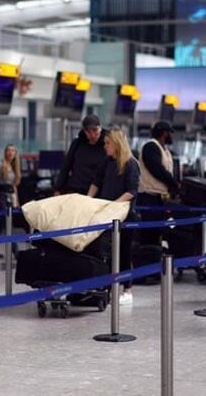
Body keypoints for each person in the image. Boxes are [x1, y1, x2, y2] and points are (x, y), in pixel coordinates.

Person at [87, 128, 140, 305]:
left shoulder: (131, 164)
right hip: (107, 214)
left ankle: (127, 289)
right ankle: (107, 285)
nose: (105, 147)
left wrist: (114, 204)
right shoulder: (107, 162)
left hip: (125, 215)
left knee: (124, 252)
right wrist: (87, 201)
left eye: (107, 143)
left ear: (116, 144)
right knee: (106, 251)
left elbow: (131, 191)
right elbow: (96, 181)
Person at [137, 120, 179, 245]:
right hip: (149, 197)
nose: (171, 136)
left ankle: (155, 256)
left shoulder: (165, 150)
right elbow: (157, 170)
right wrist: (174, 184)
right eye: (170, 133)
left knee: (158, 233)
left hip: (161, 198)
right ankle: (147, 259)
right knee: (149, 233)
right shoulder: (150, 147)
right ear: (164, 133)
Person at [54, 114, 107, 195]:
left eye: (95, 131)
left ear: (100, 128)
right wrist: (58, 188)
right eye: (88, 132)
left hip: (98, 190)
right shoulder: (77, 143)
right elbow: (66, 166)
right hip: (77, 188)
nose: (92, 135)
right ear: (84, 131)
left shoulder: (107, 144)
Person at [0, 144, 21, 259]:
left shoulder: (14, 166)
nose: (10, 153)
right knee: (6, 222)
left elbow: (14, 186)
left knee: (3, 224)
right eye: (8, 150)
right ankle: (16, 251)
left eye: (13, 150)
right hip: (1, 195)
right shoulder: (0, 165)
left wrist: (17, 200)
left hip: (10, 195)